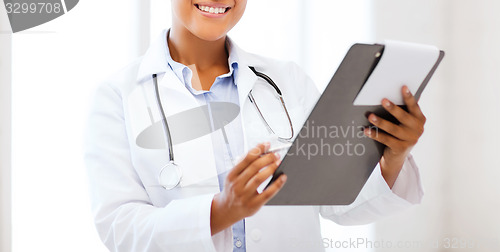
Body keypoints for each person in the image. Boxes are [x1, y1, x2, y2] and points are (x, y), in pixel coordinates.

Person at [84, 0, 426, 251]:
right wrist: (221, 211)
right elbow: (121, 229)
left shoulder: (288, 81)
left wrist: (391, 157)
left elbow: (336, 202)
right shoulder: (117, 96)